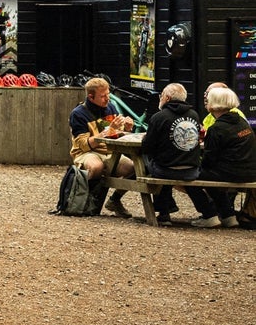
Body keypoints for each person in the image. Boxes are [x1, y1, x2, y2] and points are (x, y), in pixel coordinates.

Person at [141, 82, 219, 224]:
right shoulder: (194, 115)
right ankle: (209, 212)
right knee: (176, 169)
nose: (160, 98)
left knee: (151, 163)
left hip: (165, 170)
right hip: (191, 170)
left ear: (168, 98)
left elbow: (147, 147)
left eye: (162, 95)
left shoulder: (158, 117)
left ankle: (164, 213)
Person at [64, 76, 135, 215]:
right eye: (103, 96)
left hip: (109, 152)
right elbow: (82, 145)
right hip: (86, 153)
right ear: (91, 97)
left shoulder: (110, 108)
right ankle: (85, 201)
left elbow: (116, 134)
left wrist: (127, 128)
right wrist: (108, 131)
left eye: (108, 94)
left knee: (134, 168)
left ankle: (115, 200)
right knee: (96, 167)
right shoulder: (78, 114)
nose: (107, 99)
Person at [199, 84, 256, 227]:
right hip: (250, 172)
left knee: (188, 175)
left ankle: (209, 214)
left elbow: (209, 160)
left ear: (213, 104)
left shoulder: (216, 128)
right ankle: (227, 215)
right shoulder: (242, 122)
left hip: (231, 173)